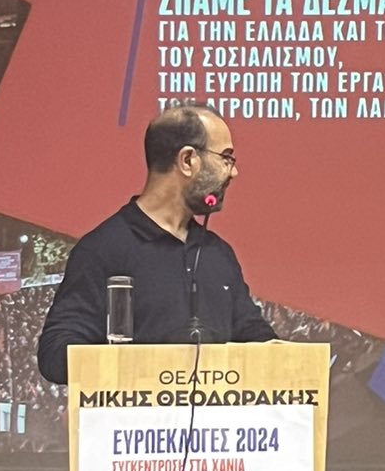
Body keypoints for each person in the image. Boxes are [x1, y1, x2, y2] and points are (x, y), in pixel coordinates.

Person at [36, 102, 274, 384]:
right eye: (225, 158)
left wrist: (282, 354)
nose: (232, 172)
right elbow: (56, 354)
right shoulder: (102, 250)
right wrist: (143, 368)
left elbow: (254, 335)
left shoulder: (218, 254)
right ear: (187, 160)